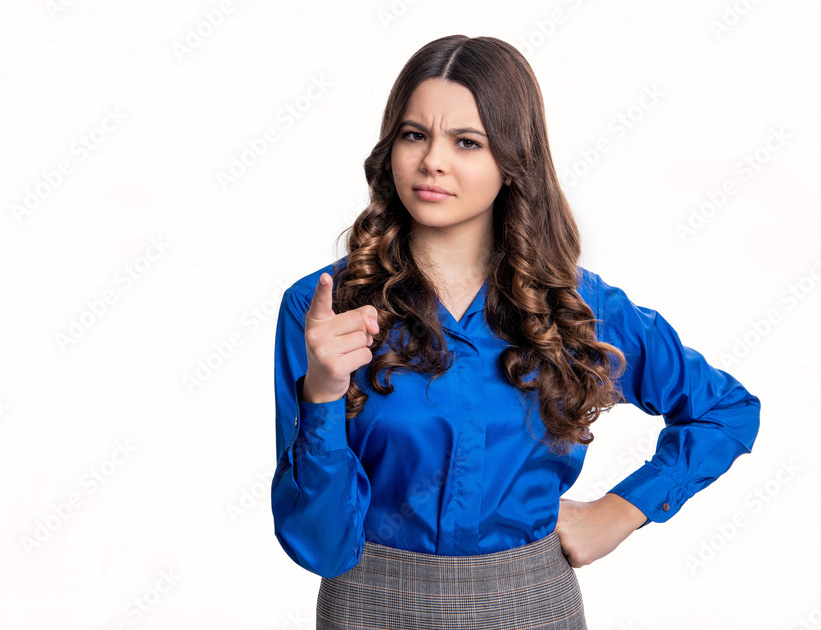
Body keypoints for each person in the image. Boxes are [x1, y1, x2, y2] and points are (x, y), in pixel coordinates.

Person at [270, 34, 761, 630]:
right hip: (369, 603)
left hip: (529, 606)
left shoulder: (579, 307)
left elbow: (726, 410)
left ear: (512, 160)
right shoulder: (324, 308)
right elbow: (319, 545)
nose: (433, 162)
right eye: (414, 134)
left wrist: (621, 510)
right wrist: (321, 392)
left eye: (467, 142)